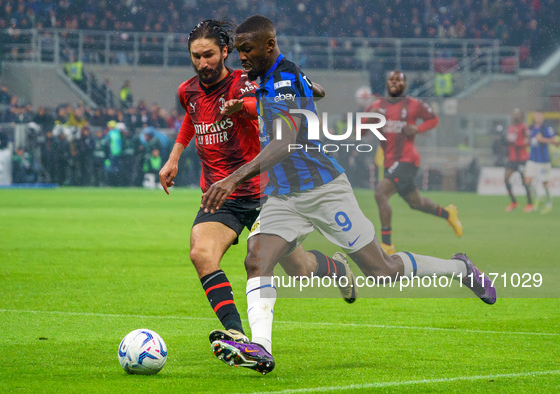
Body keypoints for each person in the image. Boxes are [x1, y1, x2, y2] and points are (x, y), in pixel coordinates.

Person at [202, 15, 496, 375]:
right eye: (239, 50)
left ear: (269, 46)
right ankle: (262, 348)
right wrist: (300, 92)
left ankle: (458, 268)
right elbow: (318, 90)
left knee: (381, 271)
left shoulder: (282, 81)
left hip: (324, 191)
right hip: (283, 196)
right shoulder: (276, 76)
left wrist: (232, 179)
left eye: (246, 50)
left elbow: (283, 143)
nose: (240, 57)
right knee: (256, 259)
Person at [158, 19, 357, 351]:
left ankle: (337, 269)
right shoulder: (187, 91)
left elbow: (270, 105)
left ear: (225, 52)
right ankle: (235, 333)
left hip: (265, 192)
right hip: (221, 194)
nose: (202, 63)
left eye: (208, 55)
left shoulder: (246, 82)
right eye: (195, 56)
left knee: (300, 269)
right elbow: (193, 116)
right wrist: (175, 155)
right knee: (201, 253)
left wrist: (248, 106)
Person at [366, 70, 463, 255]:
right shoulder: (376, 106)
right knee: (416, 203)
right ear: (387, 83)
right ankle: (448, 213)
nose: (394, 82)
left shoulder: (414, 104)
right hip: (390, 162)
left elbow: (434, 119)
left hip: (408, 160)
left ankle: (387, 245)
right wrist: (371, 118)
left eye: (399, 80)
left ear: (405, 84)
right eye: (391, 80)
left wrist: (417, 128)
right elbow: (359, 131)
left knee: (380, 193)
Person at [524, 110, 559, 214]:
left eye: (539, 115)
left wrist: (542, 139)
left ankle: (548, 204)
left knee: (545, 183)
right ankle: (538, 198)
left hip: (543, 161)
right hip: (532, 160)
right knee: (527, 182)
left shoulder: (546, 129)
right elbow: (530, 142)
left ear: (542, 117)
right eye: (535, 115)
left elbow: (556, 142)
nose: (537, 117)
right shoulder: (531, 128)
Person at [504, 108, 533, 212]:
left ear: (521, 116)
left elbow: (528, 142)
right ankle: (514, 202)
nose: (515, 116)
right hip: (512, 159)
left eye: (517, 114)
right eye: (514, 114)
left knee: (524, 182)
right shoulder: (510, 127)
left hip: (522, 159)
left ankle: (530, 203)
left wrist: (517, 142)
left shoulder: (524, 127)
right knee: (506, 179)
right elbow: (508, 141)